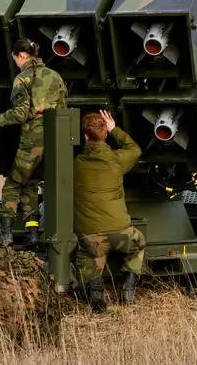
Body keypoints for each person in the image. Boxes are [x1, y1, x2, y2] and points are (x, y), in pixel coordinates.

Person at [0, 38, 67, 247]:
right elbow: (63, 108)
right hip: (55, 142)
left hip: (32, 143)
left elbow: (20, 113)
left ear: (22, 56)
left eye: (15, 58)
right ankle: (32, 233)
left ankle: (6, 234)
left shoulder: (22, 79)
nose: (16, 62)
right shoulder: (55, 76)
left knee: (13, 184)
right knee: (31, 184)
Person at [72, 109, 146, 312]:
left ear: (85, 136)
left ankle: (96, 293)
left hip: (92, 237)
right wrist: (115, 130)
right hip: (122, 233)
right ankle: (128, 288)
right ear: (105, 133)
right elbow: (134, 149)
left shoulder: (75, 164)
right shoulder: (117, 159)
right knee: (138, 243)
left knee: (87, 259)